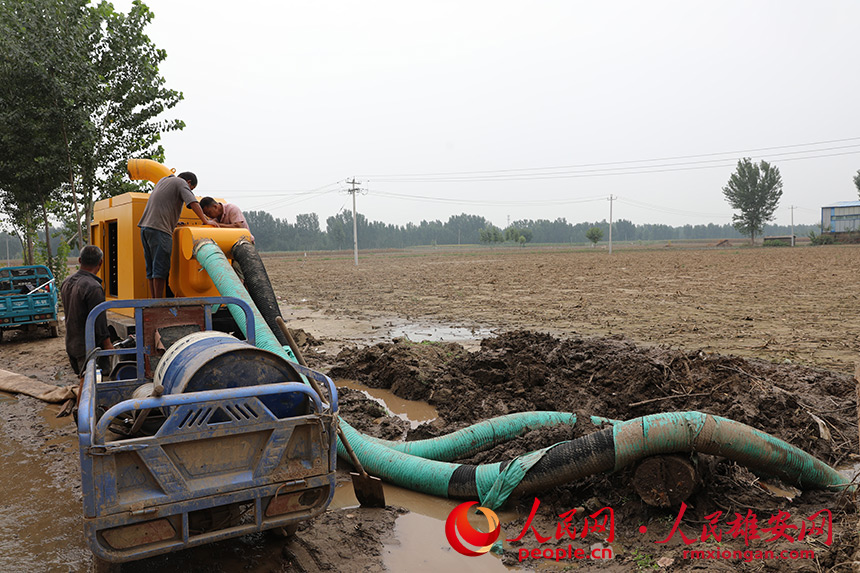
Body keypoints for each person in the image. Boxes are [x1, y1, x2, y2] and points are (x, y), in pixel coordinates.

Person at [137, 172, 215, 298]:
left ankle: (153, 301)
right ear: (189, 182)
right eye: (191, 189)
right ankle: (158, 303)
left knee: (151, 269)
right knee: (160, 268)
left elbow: (162, 204)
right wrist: (206, 221)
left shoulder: (163, 181)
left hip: (146, 228)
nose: (189, 190)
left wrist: (174, 221)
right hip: (160, 230)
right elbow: (193, 202)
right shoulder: (181, 182)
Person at [60, 245, 114, 376]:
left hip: (72, 345)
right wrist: (108, 346)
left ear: (79, 260)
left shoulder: (66, 282)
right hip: (89, 349)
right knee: (94, 387)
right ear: (100, 262)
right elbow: (99, 322)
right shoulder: (93, 287)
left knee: (84, 385)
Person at [200, 196, 255, 281]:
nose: (208, 216)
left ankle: (243, 293)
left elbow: (238, 226)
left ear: (215, 206)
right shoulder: (213, 218)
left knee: (242, 272)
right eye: (206, 215)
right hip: (229, 246)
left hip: (243, 245)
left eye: (209, 213)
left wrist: (217, 225)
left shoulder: (232, 209)